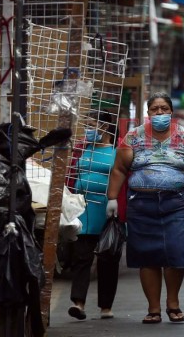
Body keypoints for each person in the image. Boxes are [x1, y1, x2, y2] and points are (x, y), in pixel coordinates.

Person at [106, 92, 184, 324]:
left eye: (164, 109)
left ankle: (173, 303)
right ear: (148, 113)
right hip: (141, 205)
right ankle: (153, 308)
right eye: (155, 109)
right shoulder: (133, 137)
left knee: (176, 253)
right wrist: (112, 198)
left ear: (171, 112)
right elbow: (119, 169)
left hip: (177, 204)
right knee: (147, 256)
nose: (159, 113)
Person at [66, 111, 119, 321]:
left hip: (107, 209)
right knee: (81, 256)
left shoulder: (117, 151)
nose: (88, 130)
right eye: (86, 125)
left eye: (91, 125)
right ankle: (78, 303)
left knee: (108, 257)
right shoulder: (81, 149)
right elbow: (71, 174)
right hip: (82, 209)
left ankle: (106, 306)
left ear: (105, 127)